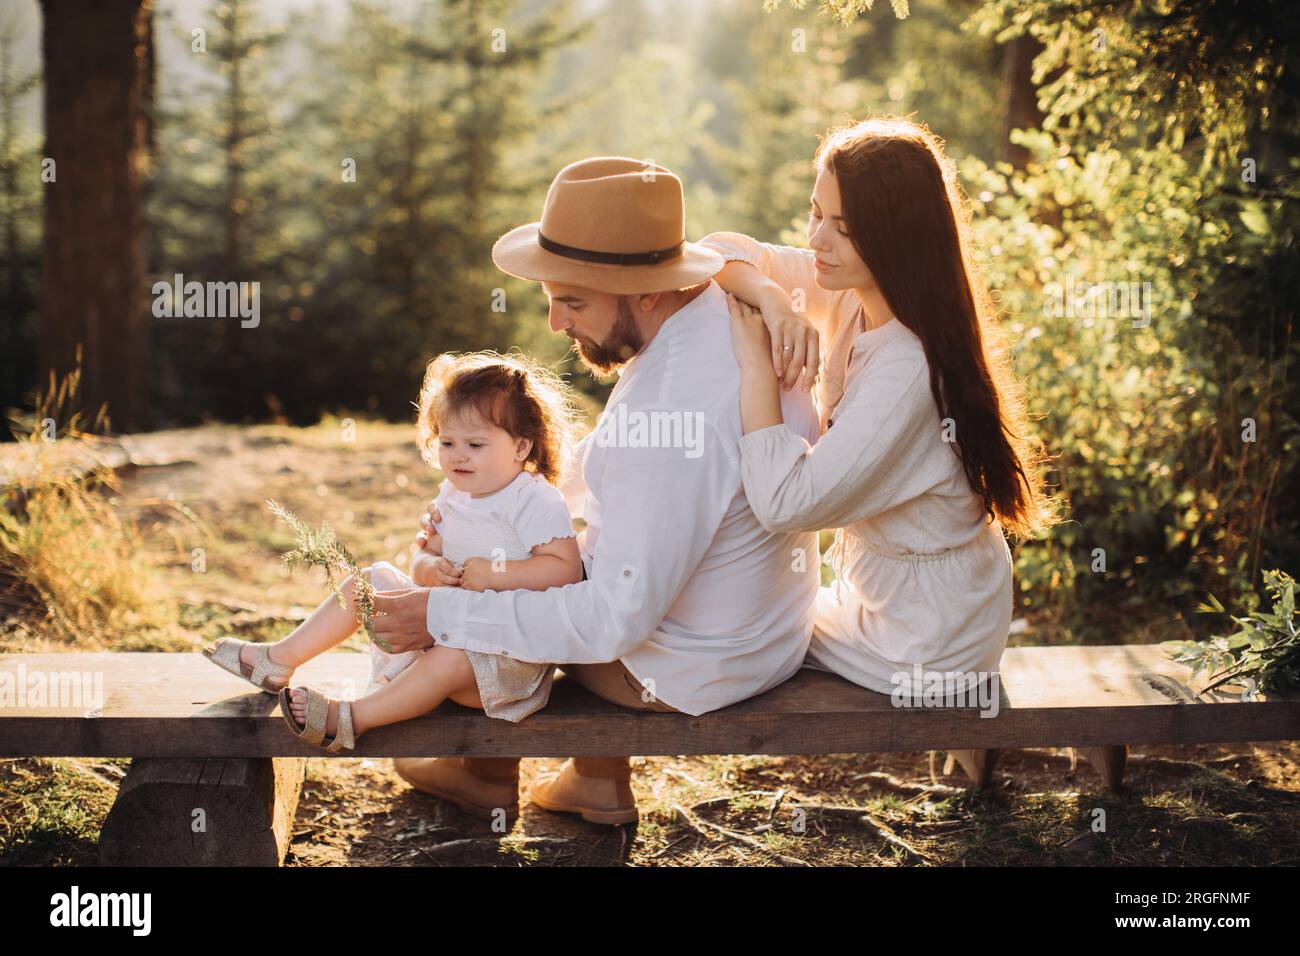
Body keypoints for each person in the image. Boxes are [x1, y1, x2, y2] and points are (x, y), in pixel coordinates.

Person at [370, 156, 822, 826]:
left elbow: (617, 619)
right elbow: (727, 249)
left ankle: (485, 771)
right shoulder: (717, 304)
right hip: (762, 626)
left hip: (693, 668)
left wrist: (442, 612)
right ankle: (594, 782)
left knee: (497, 597)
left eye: (574, 302)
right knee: (531, 548)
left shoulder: (667, 421)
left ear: (646, 291)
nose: (555, 323)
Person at [697, 117, 1057, 726]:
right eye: (816, 214)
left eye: (843, 228)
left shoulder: (907, 368)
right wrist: (772, 301)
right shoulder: (848, 291)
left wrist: (757, 366)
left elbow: (787, 504)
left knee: (731, 632)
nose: (817, 239)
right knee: (735, 619)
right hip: (894, 600)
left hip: (926, 637)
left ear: (897, 238)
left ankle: (602, 763)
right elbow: (715, 254)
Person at [201, 351, 585, 752]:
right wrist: (430, 567)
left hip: (503, 659)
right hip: (439, 627)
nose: (457, 455)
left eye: (475, 443)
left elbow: (565, 571)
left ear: (521, 446)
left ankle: (352, 718)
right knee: (372, 579)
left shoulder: (533, 499)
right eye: (447, 441)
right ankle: (278, 659)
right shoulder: (454, 492)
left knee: (451, 656)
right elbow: (421, 557)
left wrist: (496, 575)